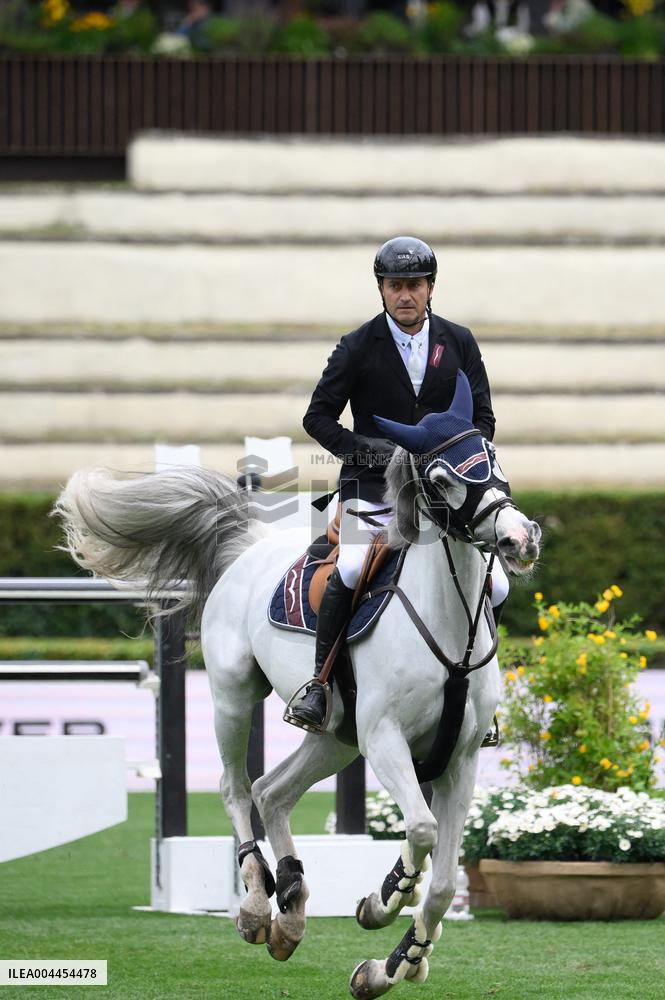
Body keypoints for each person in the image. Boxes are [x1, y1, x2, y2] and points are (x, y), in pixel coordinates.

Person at [288, 235, 506, 732]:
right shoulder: (356, 346)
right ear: (381, 290)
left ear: (430, 288)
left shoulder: (460, 342)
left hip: (443, 494)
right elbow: (317, 419)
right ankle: (319, 686)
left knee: (495, 584)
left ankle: (480, 694)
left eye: (414, 285)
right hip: (372, 487)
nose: (404, 295)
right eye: (394, 286)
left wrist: (454, 463)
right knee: (348, 569)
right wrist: (375, 453)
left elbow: (485, 420)